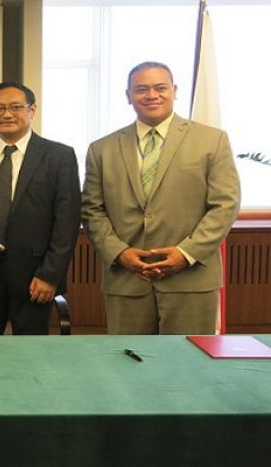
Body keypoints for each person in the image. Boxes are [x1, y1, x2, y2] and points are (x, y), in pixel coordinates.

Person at [81, 61, 240, 335]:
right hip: (127, 279)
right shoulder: (102, 149)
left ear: (174, 90)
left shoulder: (211, 140)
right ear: (128, 95)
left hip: (190, 279)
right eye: (141, 89)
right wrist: (120, 253)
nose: (151, 95)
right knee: (129, 365)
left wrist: (185, 253)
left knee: (187, 368)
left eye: (160, 87)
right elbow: (92, 210)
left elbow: (225, 205)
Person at [0, 82, 81, 335]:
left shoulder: (59, 156)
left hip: (34, 274)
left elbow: (67, 221)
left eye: (15, 107)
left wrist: (50, 275)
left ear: (32, 111)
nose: (7, 114)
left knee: (29, 355)